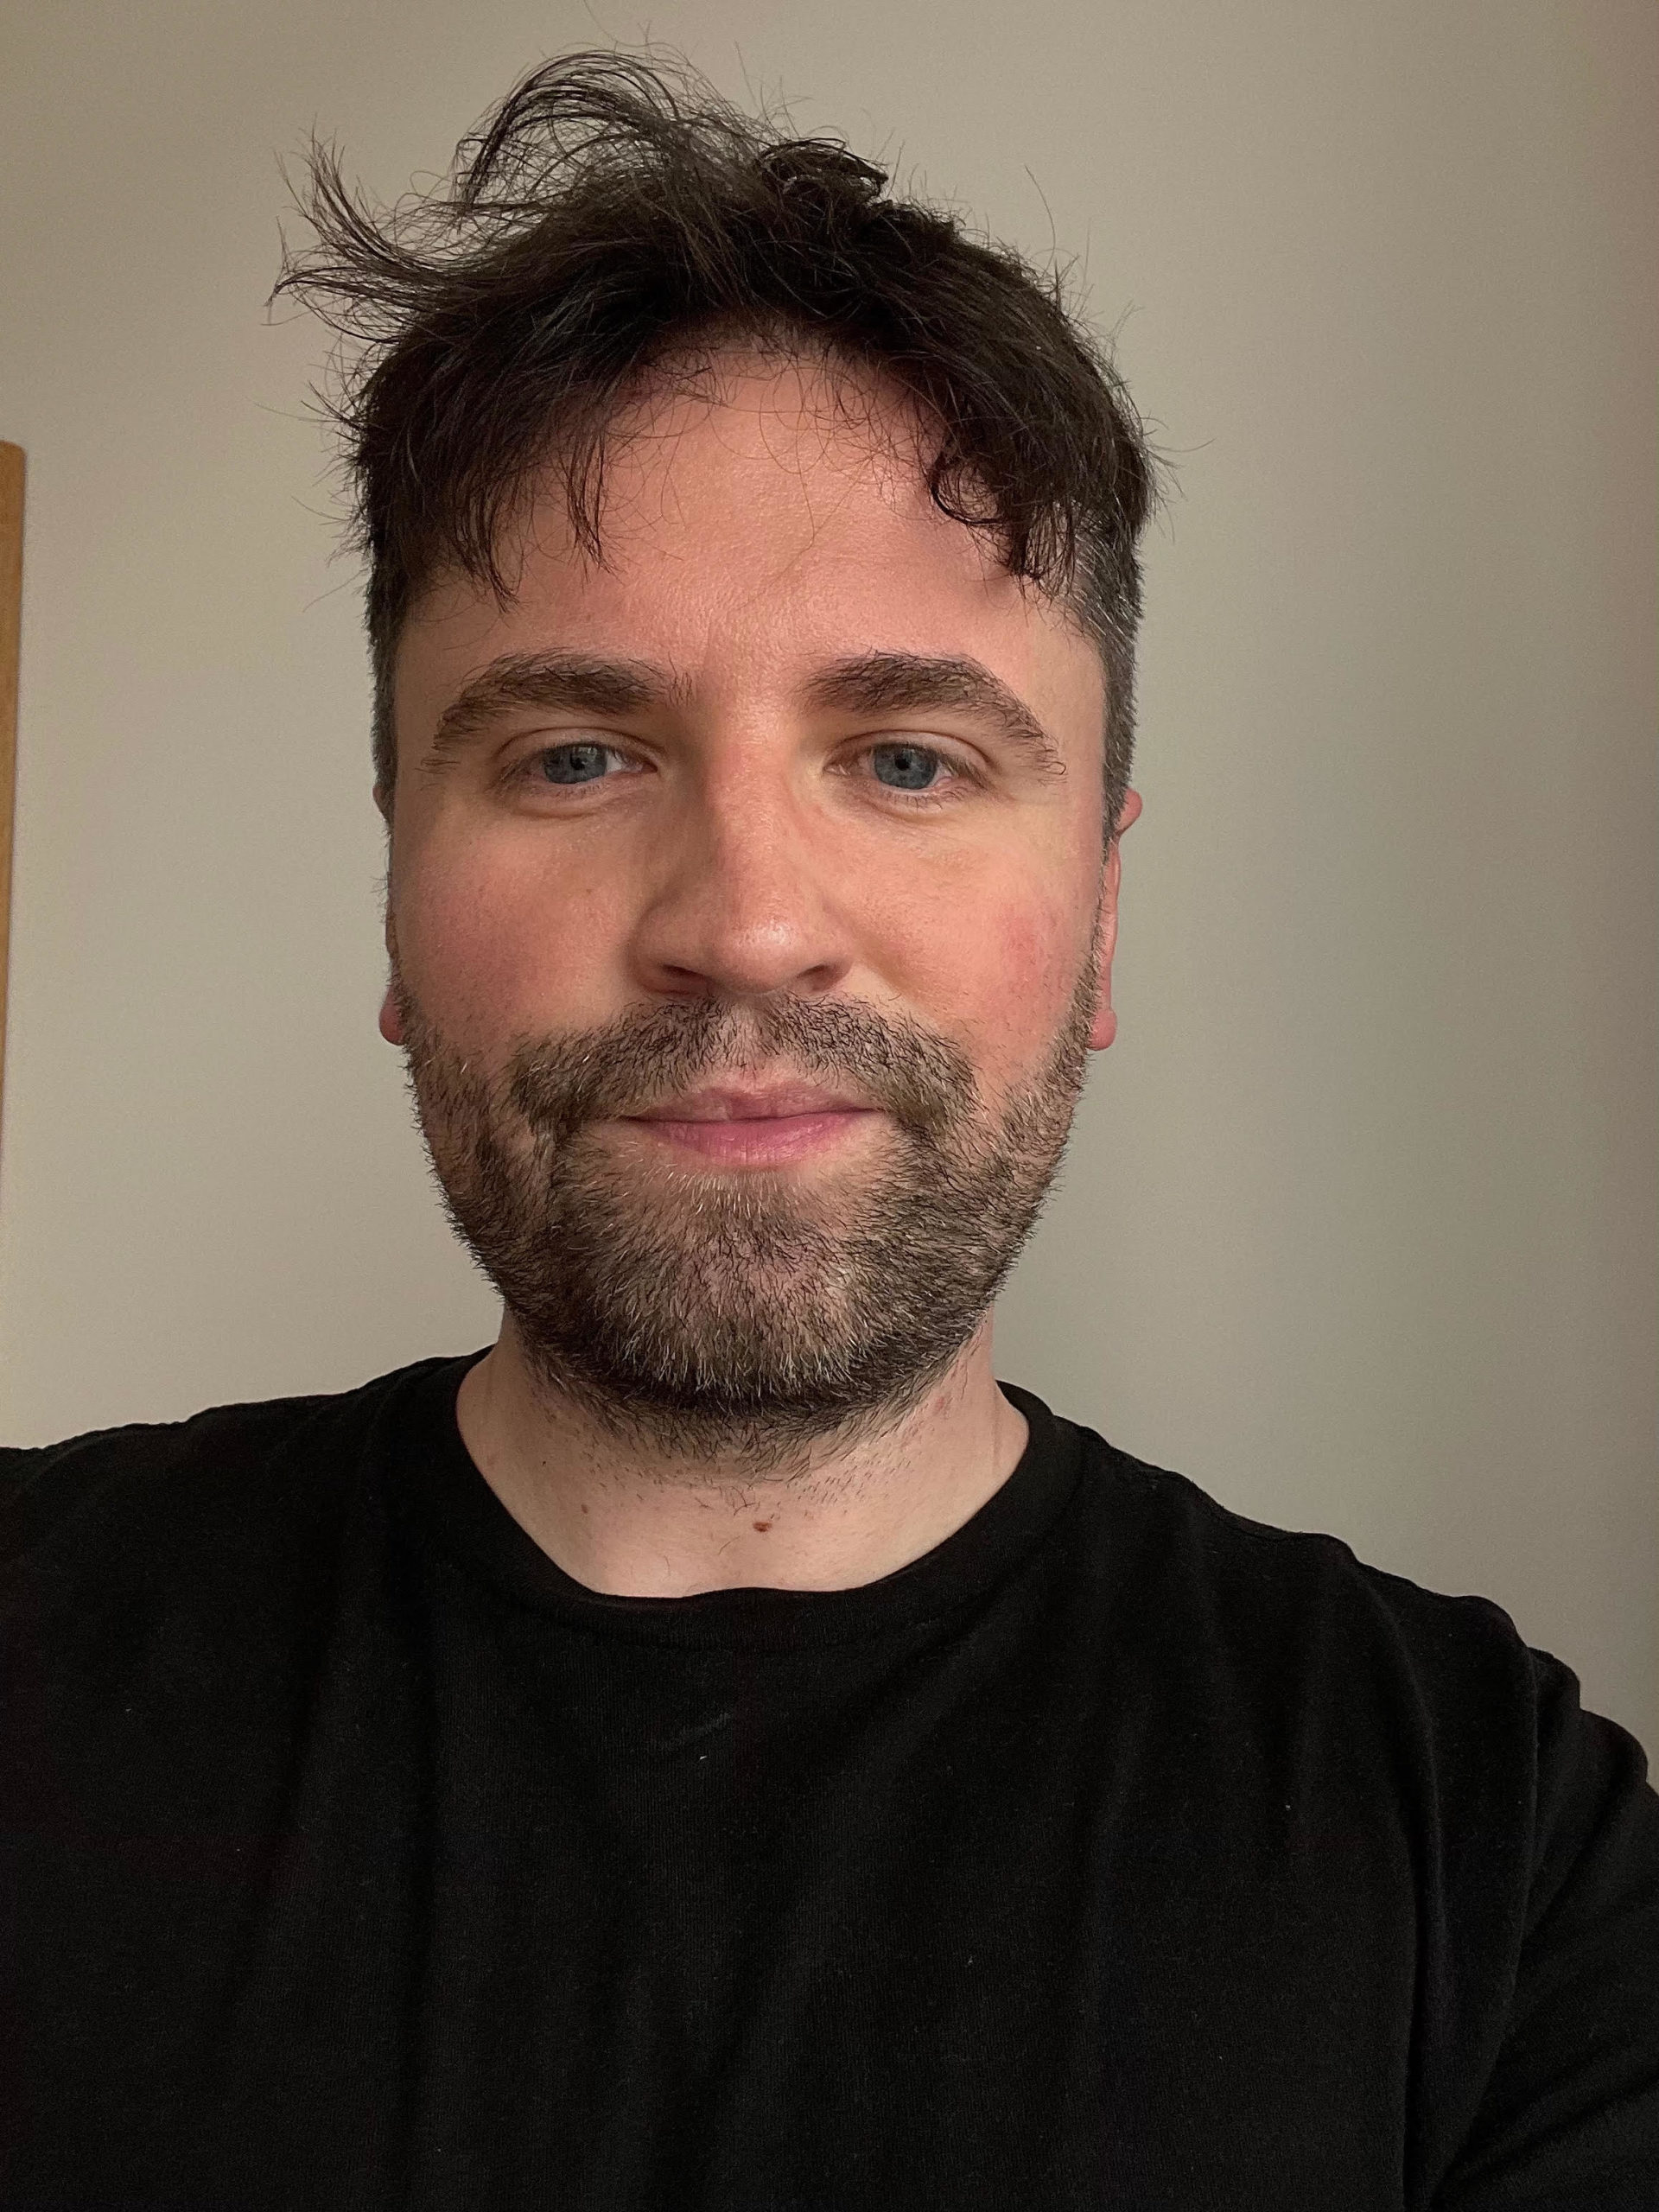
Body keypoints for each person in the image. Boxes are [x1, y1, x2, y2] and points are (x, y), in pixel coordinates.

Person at [2, 50, 1654, 2210]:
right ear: (396, 882)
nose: (749, 921)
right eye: (578, 755)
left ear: (1102, 914)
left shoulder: (1495, 1841)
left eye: (907, 759)